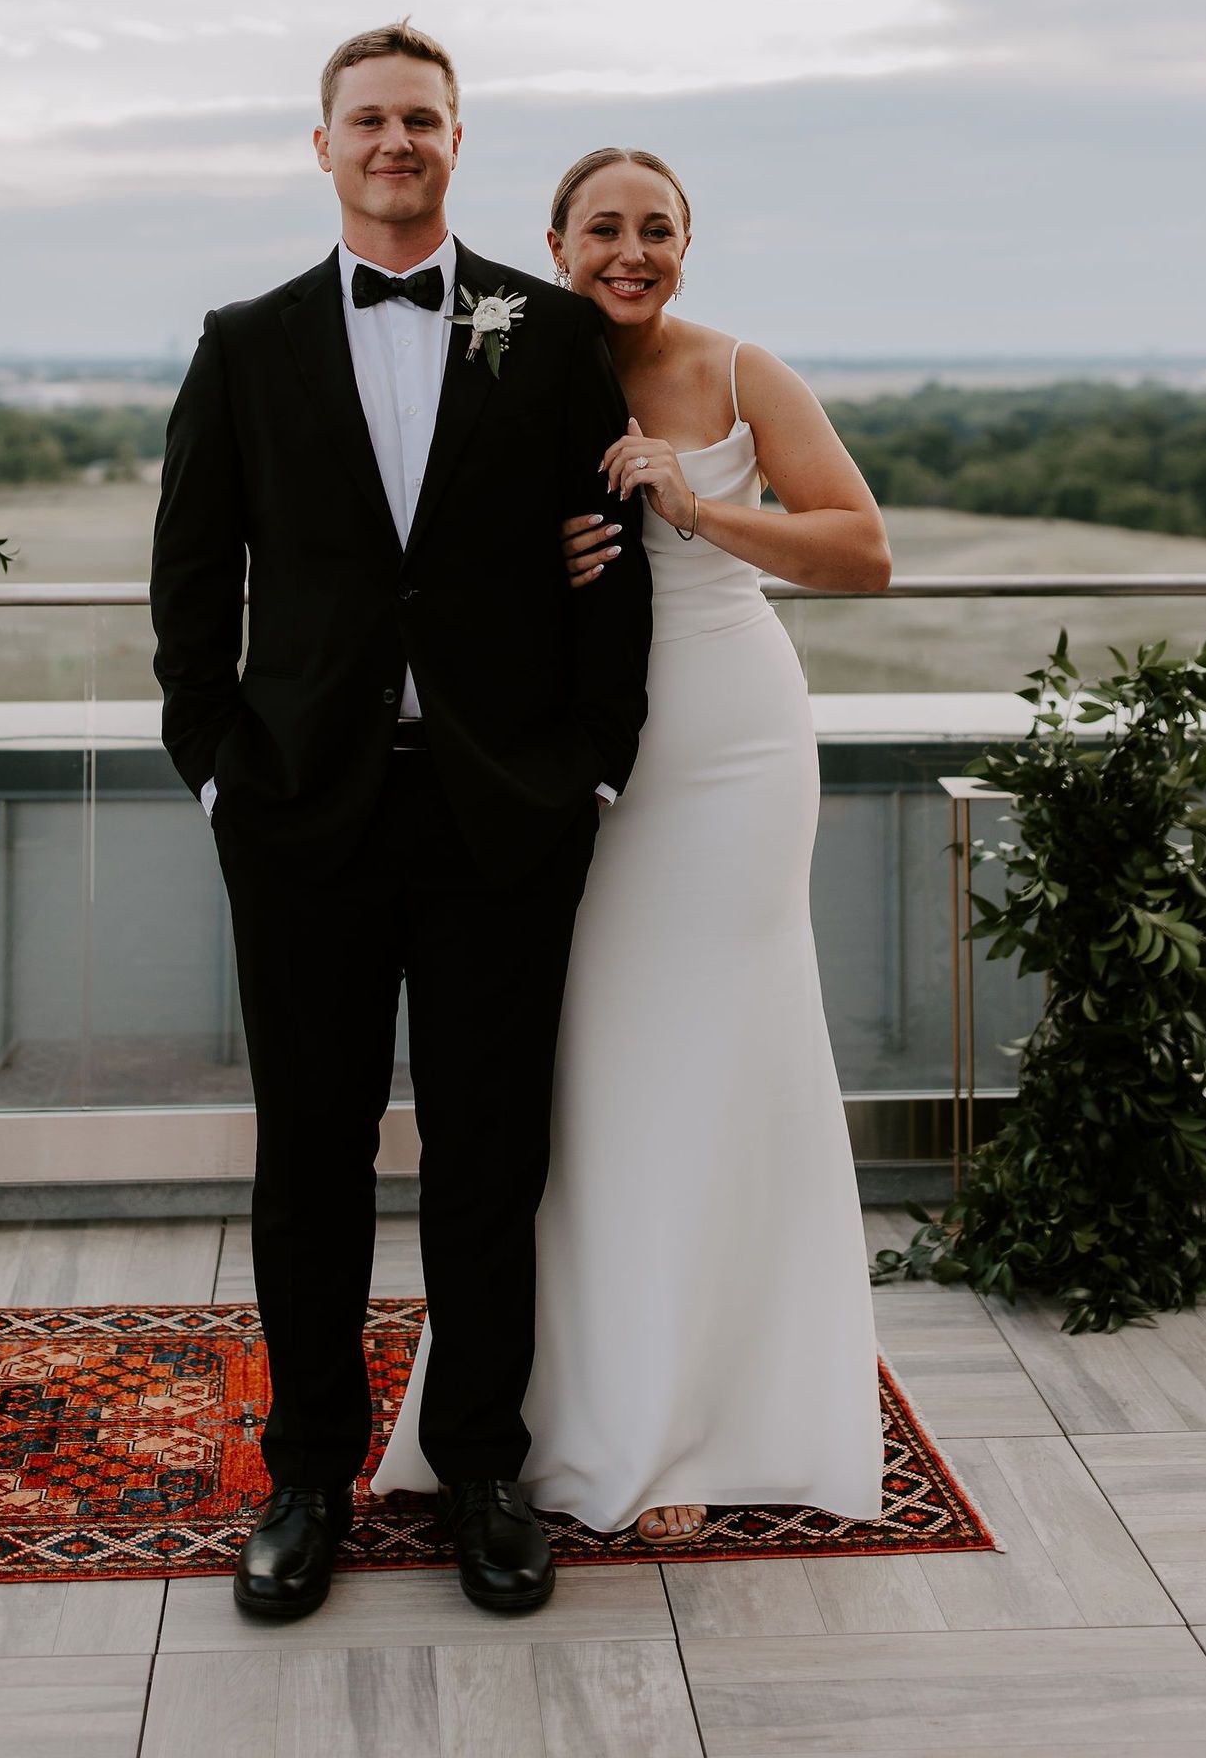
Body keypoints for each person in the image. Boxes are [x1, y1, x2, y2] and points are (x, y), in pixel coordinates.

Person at [150, 28, 652, 1622]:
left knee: (492, 1155)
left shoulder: (553, 331)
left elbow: (612, 555)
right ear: (323, 147)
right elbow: (189, 583)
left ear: (457, 141)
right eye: (367, 120)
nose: (395, 141)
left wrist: (593, 765)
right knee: (310, 1159)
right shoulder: (243, 345)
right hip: (303, 815)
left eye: (421, 119)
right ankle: (306, 1478)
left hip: (502, 807)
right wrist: (218, 769)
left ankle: (482, 1471)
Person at [375, 145, 891, 1542]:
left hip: (729, 752)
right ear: (554, 243)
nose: (631, 249)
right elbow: (428, 560)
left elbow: (862, 550)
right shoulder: (509, 365)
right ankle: (559, 1407)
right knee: (590, 1072)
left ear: (685, 246)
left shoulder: (741, 374)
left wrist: (699, 508)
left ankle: (704, 1425)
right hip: (567, 764)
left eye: (656, 229)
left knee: (725, 1058)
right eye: (603, 227)